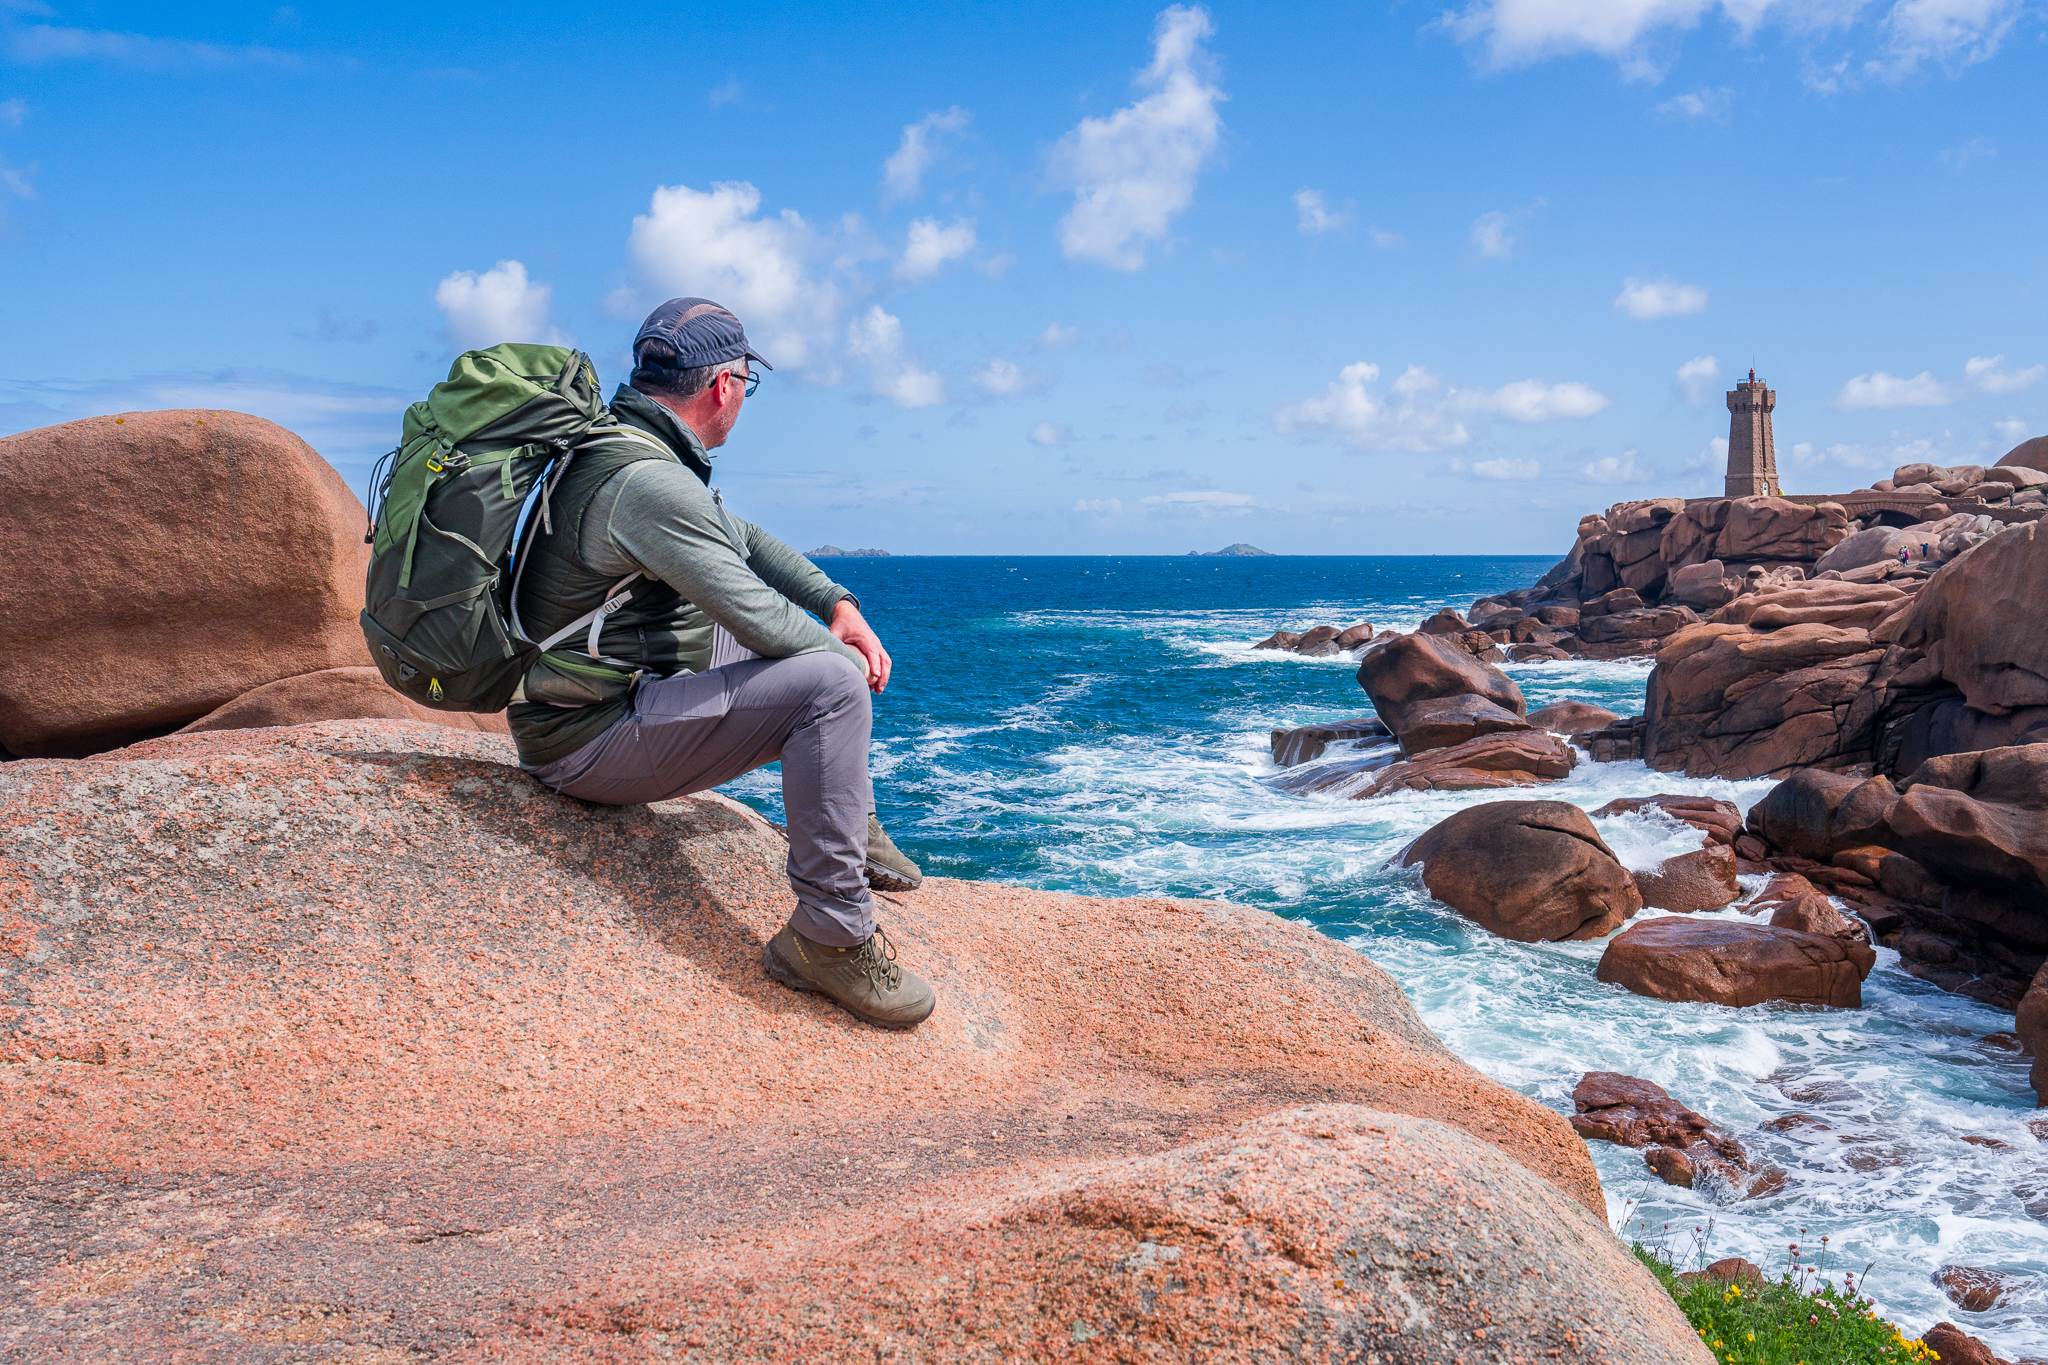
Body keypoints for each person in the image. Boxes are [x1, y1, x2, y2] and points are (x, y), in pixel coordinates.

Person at [507, 297, 935, 1030]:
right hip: (586, 738)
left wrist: (837, 598)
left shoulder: (625, 447)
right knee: (830, 687)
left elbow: (744, 538)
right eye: (746, 384)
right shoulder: (647, 485)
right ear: (724, 387)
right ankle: (829, 938)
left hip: (597, 694)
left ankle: (851, 819)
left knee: (809, 655)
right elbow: (759, 617)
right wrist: (840, 654)